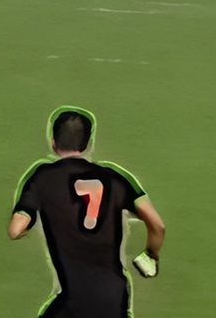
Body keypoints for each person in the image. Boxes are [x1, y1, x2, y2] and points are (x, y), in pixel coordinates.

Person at [9, 107, 167, 318]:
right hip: (114, 298)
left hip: (75, 302)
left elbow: (15, 228)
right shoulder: (116, 178)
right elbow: (157, 225)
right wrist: (150, 254)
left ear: (54, 143)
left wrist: (22, 227)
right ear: (87, 144)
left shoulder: (42, 177)